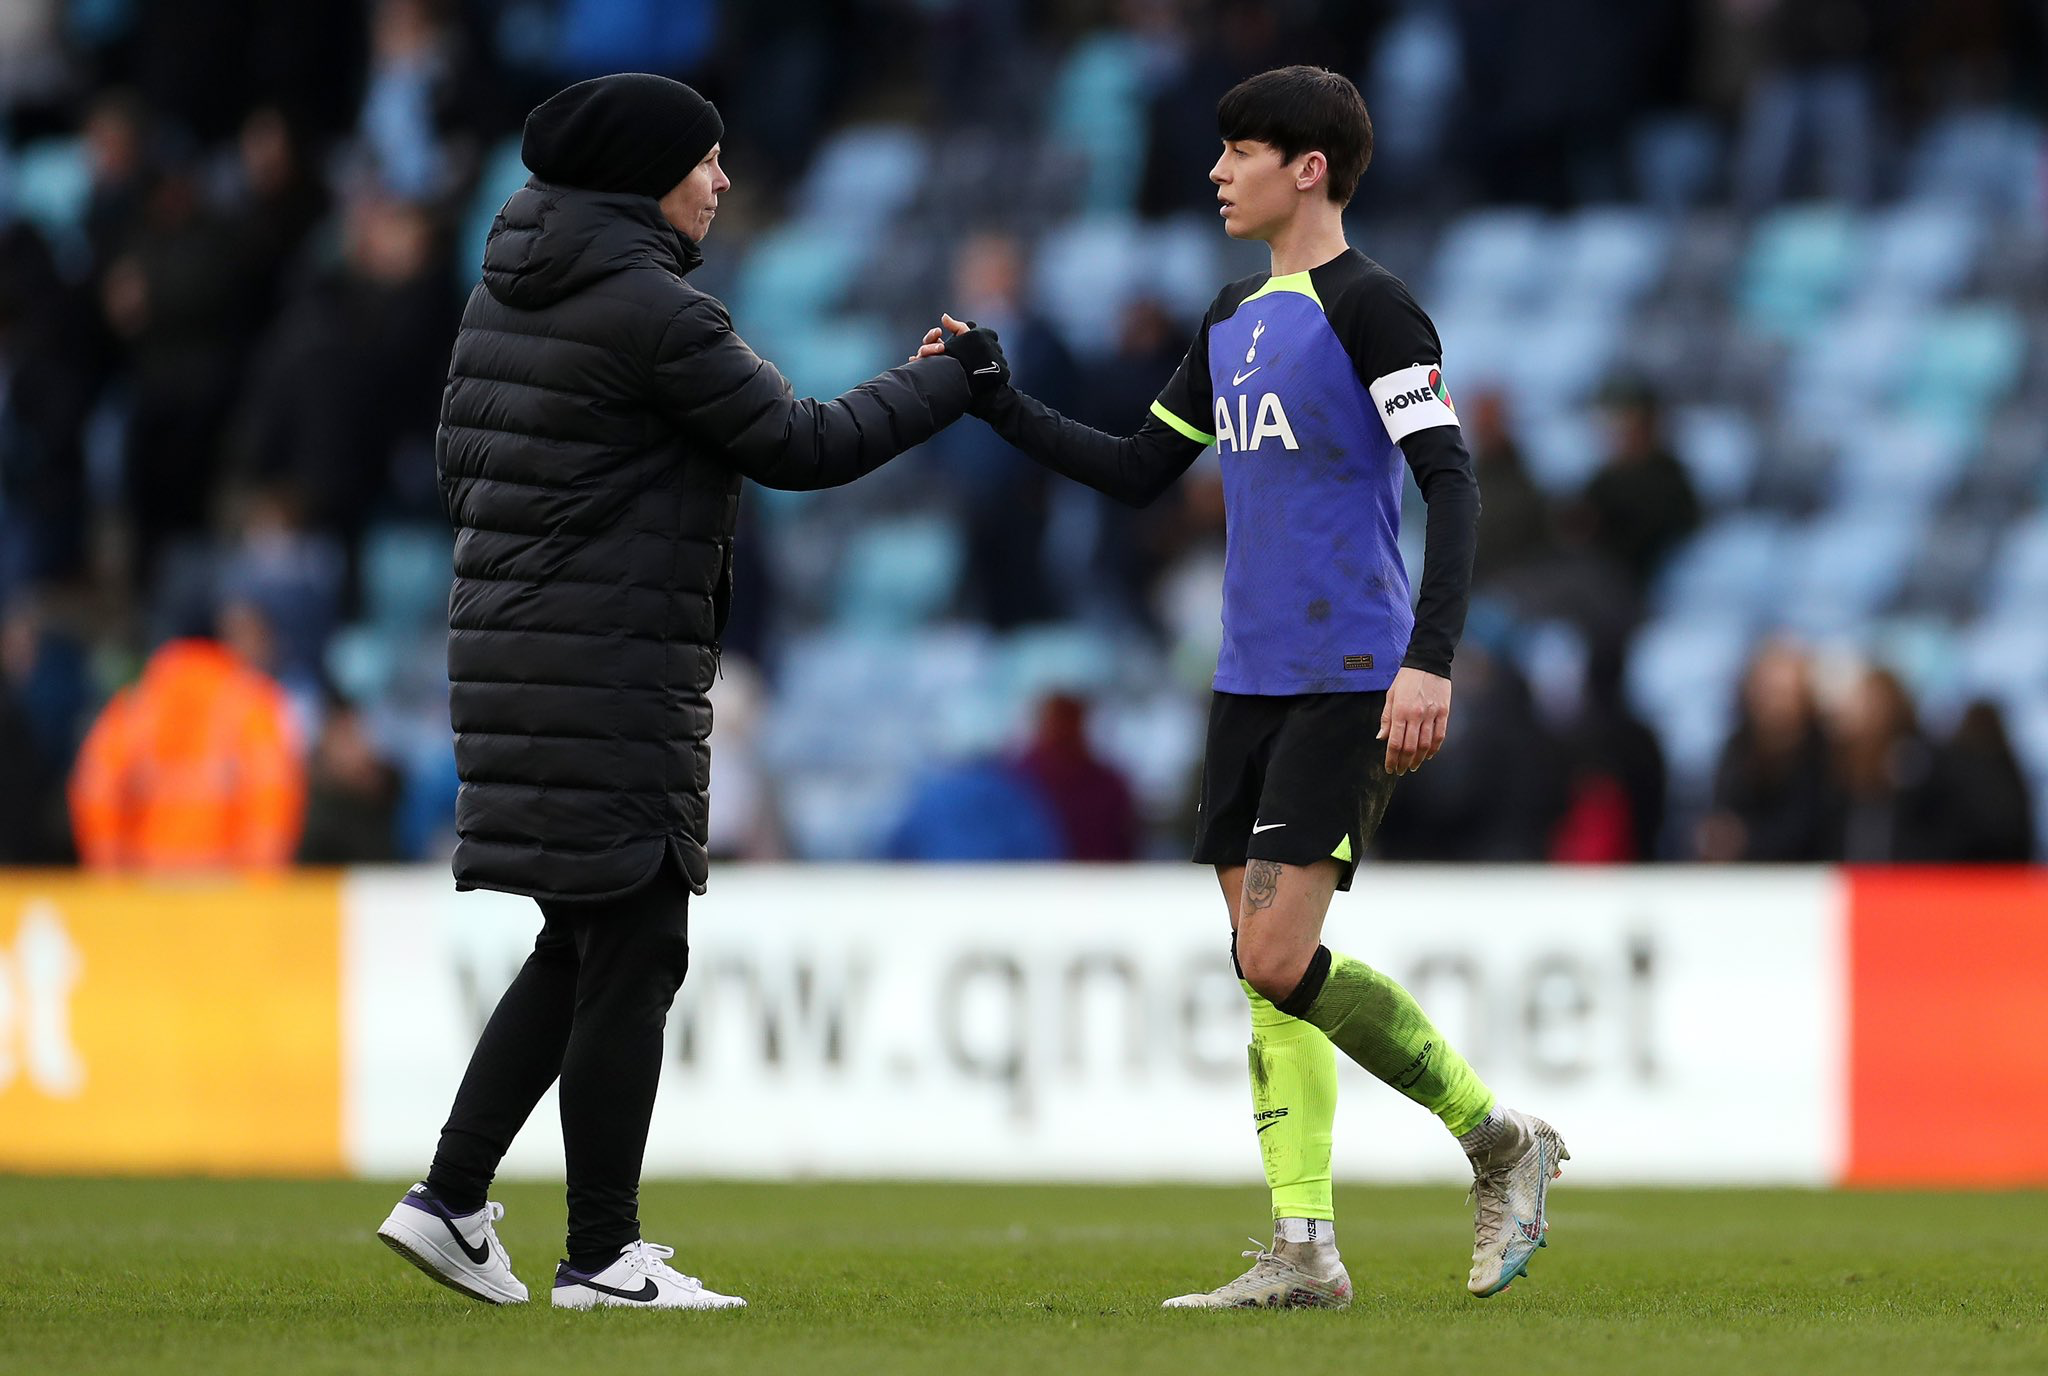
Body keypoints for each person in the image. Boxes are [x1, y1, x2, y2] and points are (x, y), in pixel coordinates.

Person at [921, 65, 1563, 1309]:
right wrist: (995, 400)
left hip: (1345, 673)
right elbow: (1130, 472)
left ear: (1306, 166)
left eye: (1238, 150)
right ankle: (1304, 1247)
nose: (1216, 171)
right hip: (1246, 678)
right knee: (1261, 959)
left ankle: (1496, 1138)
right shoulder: (1228, 318)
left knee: (1273, 957)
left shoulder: (1375, 309)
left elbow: (1452, 482)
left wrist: (1426, 657)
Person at [374, 73, 1005, 1312]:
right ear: (646, 175)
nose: (722, 181)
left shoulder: (497, 299)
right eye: (706, 159)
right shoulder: (655, 312)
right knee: (638, 939)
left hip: (517, 659)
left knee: (586, 936)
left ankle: (448, 1200)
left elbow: (462, 476)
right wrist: (950, 382)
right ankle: (603, 1255)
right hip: (609, 669)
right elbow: (803, 444)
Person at [67, 618, 305, 870]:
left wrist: (111, 875)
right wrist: (259, 882)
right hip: (229, 891)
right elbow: (274, 792)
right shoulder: (254, 705)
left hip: (146, 888)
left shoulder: (135, 706)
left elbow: (94, 790)